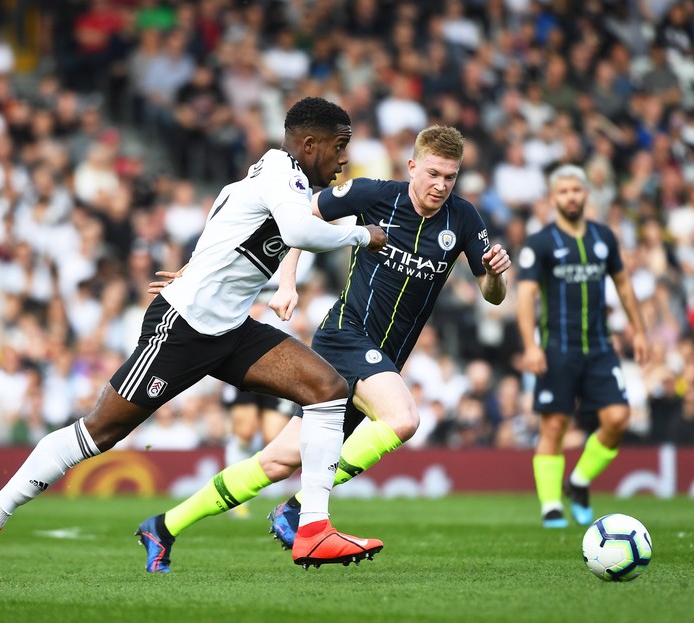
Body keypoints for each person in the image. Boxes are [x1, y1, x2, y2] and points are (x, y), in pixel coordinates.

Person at [0, 96, 389, 584]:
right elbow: (300, 230)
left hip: (231, 328)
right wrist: (363, 237)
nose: (344, 157)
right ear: (310, 143)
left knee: (327, 390)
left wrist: (209, 270)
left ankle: (314, 529)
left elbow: (239, 228)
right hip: (181, 327)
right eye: (339, 145)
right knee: (99, 433)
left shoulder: (286, 178)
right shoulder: (280, 174)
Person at [134, 125, 512, 572]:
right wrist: (286, 281)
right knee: (402, 418)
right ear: (412, 165)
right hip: (345, 336)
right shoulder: (374, 195)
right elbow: (296, 219)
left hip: (383, 360)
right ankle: (299, 511)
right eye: (433, 173)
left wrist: (494, 274)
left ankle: (163, 526)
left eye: (450, 177)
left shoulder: (464, 219)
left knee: (275, 462)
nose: (441, 185)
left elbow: (493, 296)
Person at [516, 164, 648, 528]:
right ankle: (551, 507)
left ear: (586, 194)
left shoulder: (603, 237)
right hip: (557, 347)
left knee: (618, 418)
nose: (571, 196)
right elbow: (525, 297)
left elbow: (623, 285)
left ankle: (579, 481)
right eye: (564, 191)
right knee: (555, 425)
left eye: (577, 190)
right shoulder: (540, 242)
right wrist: (531, 345)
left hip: (600, 346)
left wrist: (639, 330)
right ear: (553, 197)